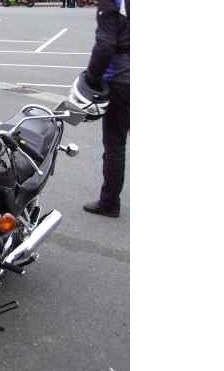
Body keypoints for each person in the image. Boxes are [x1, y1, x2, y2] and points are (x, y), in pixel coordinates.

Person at [72, 0, 129, 218]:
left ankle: (109, 202)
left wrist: (91, 78)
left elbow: (105, 46)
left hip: (122, 79)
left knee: (115, 145)